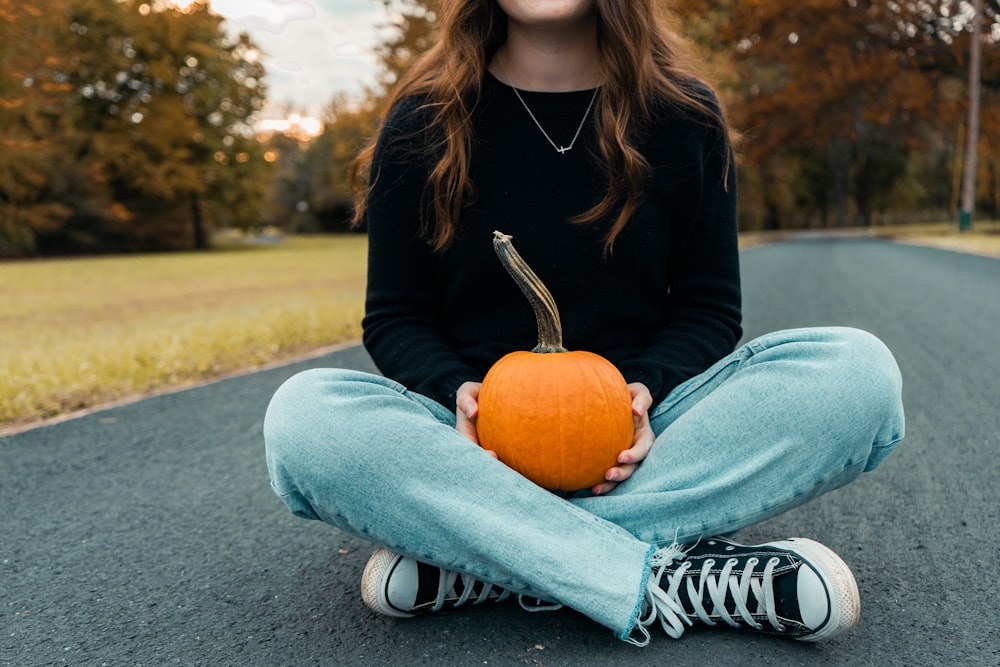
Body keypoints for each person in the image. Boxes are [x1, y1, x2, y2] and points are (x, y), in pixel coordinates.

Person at [263, 0, 905, 647]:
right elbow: (397, 314)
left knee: (857, 374)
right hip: (473, 447)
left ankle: (494, 554)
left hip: (648, 435)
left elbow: (708, 307)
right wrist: (452, 390)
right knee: (305, 419)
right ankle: (667, 576)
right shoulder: (425, 119)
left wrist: (646, 390)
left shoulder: (684, 115)